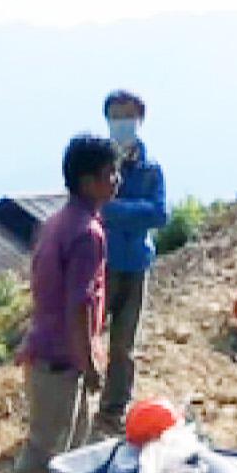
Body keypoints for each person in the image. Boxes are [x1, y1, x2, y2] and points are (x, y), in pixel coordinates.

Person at [4, 135, 120, 473]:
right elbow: (80, 305)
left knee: (75, 428)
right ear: (89, 182)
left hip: (50, 344)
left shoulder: (58, 220)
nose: (116, 181)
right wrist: (88, 362)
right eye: (110, 174)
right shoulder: (88, 233)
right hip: (61, 356)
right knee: (42, 446)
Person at [95, 89, 168, 434]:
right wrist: (132, 213)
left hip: (136, 265)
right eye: (115, 116)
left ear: (140, 119)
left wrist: (117, 212)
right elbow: (95, 207)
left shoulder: (150, 169)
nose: (122, 123)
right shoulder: (99, 162)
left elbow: (160, 214)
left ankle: (113, 409)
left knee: (124, 344)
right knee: (88, 336)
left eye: (128, 116)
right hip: (100, 263)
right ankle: (79, 404)